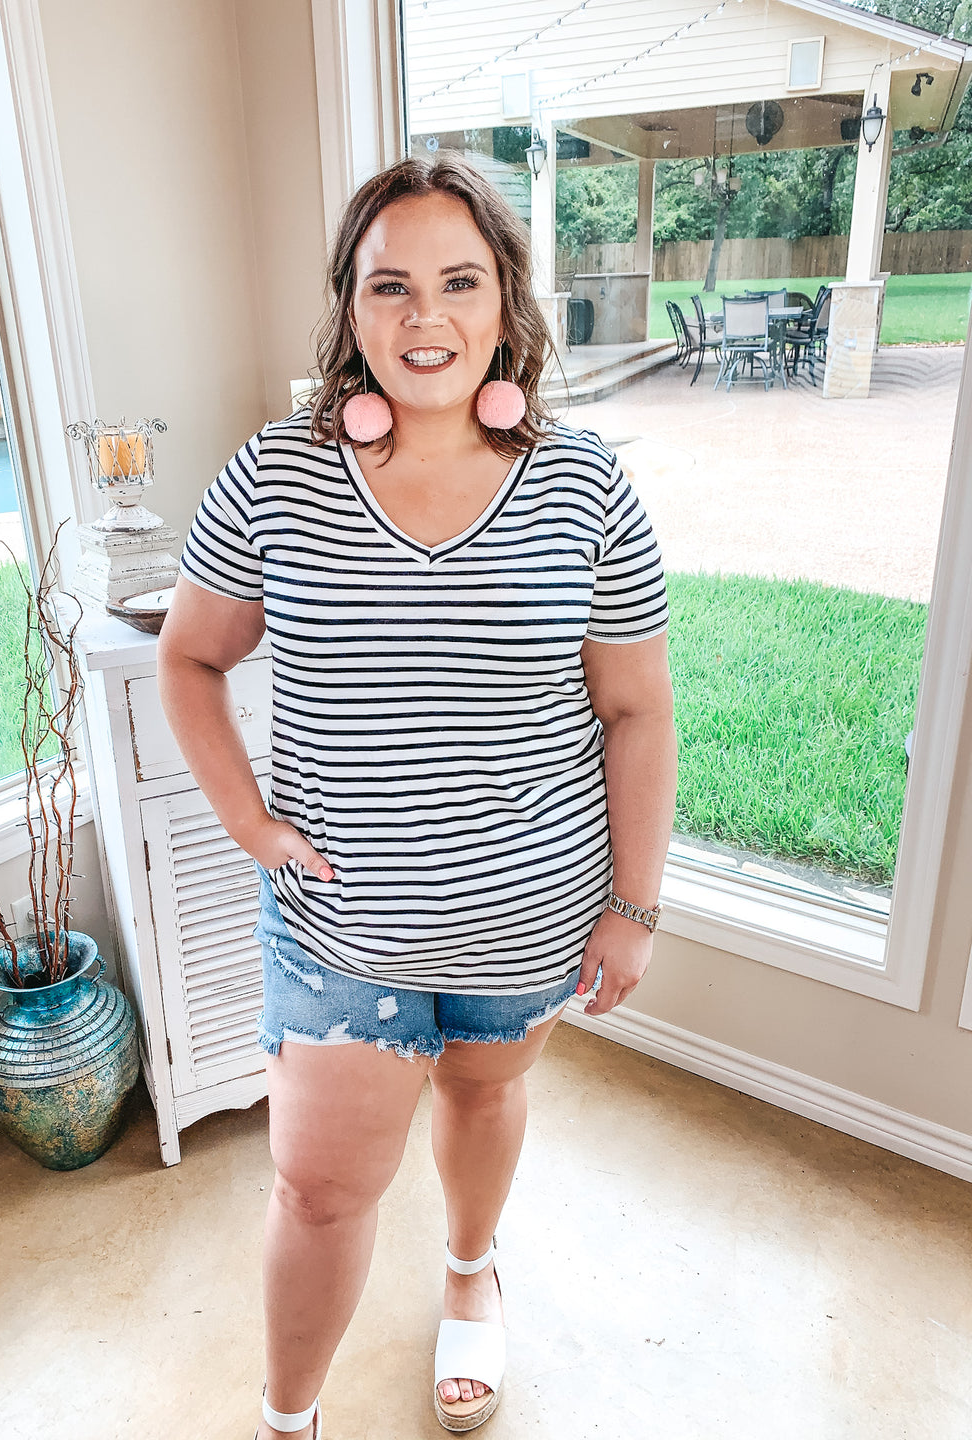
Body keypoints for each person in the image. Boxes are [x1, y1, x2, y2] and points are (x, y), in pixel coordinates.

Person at [157, 153, 677, 1440]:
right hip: (344, 931)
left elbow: (636, 711)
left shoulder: (587, 485)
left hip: (530, 919)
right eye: (391, 286)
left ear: (506, 304)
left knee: (488, 1096)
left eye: (460, 280)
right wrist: (247, 820)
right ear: (352, 310)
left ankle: (467, 1273)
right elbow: (189, 657)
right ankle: (288, 1418)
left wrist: (634, 905)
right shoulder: (278, 476)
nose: (425, 317)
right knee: (321, 1193)